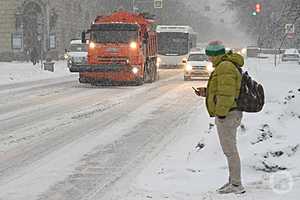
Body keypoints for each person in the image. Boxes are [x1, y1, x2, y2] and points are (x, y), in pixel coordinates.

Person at [195, 41, 245, 194]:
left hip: (228, 114)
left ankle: (236, 185)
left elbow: (226, 94)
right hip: (230, 112)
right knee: (230, 150)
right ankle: (233, 181)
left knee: (230, 151)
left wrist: (221, 113)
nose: (209, 59)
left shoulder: (225, 67)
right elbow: (222, 89)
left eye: (209, 56)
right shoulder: (226, 66)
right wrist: (206, 92)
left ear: (215, 55)